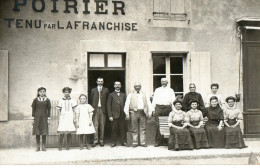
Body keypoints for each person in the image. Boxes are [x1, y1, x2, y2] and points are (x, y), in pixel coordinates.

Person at [124, 82, 152, 147]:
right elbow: (127, 104)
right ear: (134, 87)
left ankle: (143, 142)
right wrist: (127, 113)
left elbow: (149, 103)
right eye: (136, 86)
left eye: (139, 86)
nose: (137, 87)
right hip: (134, 112)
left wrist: (150, 112)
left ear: (140, 87)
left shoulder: (145, 94)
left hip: (143, 112)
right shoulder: (130, 95)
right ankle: (135, 142)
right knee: (134, 128)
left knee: (143, 128)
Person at [152, 78, 176, 147]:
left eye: (165, 81)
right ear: (160, 82)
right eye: (162, 81)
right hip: (159, 108)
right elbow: (154, 100)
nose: (163, 82)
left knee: (167, 124)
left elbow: (173, 101)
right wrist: (153, 109)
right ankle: (158, 142)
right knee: (158, 125)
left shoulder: (170, 90)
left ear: (167, 82)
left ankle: (167, 142)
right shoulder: (157, 90)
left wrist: (174, 111)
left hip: (167, 108)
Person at [90, 77, 109, 147]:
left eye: (101, 81)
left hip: (103, 110)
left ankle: (101, 141)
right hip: (95, 110)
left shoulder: (106, 90)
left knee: (102, 126)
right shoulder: (93, 90)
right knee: (95, 126)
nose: (100, 82)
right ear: (97, 82)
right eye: (99, 81)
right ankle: (95, 140)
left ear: (103, 82)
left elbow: (107, 100)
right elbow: (91, 100)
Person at [107, 81, 127, 147]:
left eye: (119, 85)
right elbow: (108, 106)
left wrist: (126, 114)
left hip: (122, 115)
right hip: (114, 115)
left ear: (121, 86)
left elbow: (126, 105)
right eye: (116, 85)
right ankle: (113, 142)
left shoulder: (123, 95)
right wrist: (110, 115)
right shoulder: (111, 95)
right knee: (114, 129)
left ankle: (123, 142)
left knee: (122, 129)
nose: (117, 86)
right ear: (114, 86)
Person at [31, 87, 51, 152]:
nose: (42, 93)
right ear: (38, 92)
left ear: (45, 92)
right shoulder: (35, 100)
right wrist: (32, 119)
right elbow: (33, 109)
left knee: (44, 132)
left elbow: (49, 110)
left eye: (43, 91)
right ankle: (38, 147)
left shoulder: (47, 100)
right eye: (41, 91)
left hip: (44, 118)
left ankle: (44, 146)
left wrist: (48, 118)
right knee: (37, 132)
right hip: (37, 118)